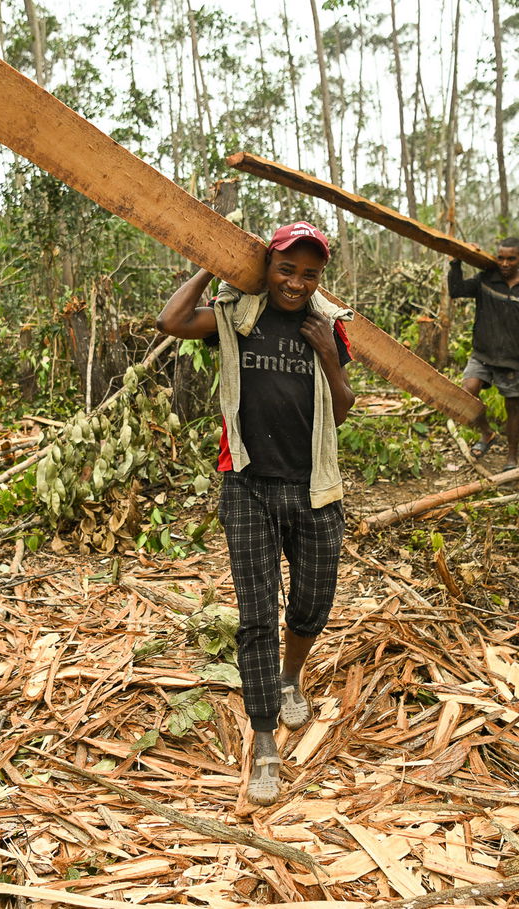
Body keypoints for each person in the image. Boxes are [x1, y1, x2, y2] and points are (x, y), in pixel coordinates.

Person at [156, 221, 355, 807]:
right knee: (256, 615)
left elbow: (341, 410)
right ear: (266, 266)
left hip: (314, 484)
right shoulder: (237, 316)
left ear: (320, 277)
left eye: (308, 273)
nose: (296, 283)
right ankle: (264, 737)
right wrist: (211, 265)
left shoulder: (326, 326)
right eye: (285, 269)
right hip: (246, 482)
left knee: (313, 598)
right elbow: (170, 321)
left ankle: (291, 676)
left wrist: (328, 356)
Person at [447, 236, 519, 471]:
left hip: (513, 359)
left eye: (511, 259)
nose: (505, 264)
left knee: (512, 406)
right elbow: (456, 290)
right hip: (483, 353)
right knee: (468, 392)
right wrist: (456, 262)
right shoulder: (487, 278)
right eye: (501, 258)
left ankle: (512, 457)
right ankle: (487, 433)